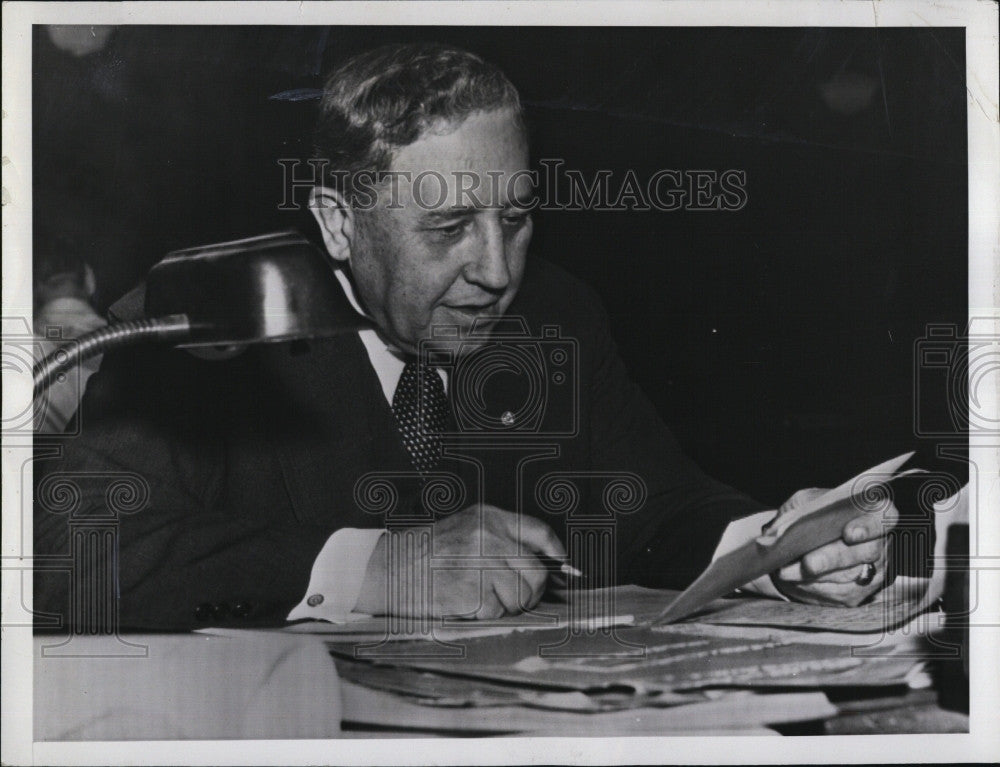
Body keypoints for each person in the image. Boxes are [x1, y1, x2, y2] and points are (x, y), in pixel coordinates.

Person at [33, 43, 896, 631]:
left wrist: (777, 547)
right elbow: (60, 539)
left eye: (517, 217)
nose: (496, 270)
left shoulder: (554, 313)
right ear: (338, 222)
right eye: (448, 226)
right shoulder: (214, 313)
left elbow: (659, 506)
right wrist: (374, 567)